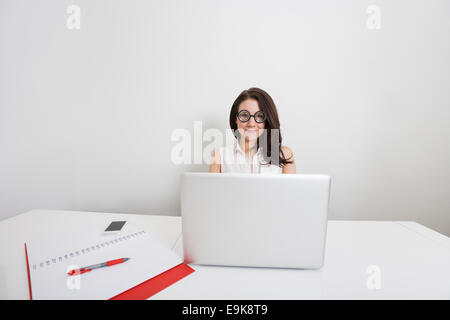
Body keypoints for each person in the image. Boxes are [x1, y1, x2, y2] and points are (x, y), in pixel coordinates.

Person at [209, 88, 296, 174]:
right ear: (236, 119)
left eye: (260, 116)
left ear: (267, 120)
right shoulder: (219, 156)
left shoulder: (284, 154)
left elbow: (289, 188)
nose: (251, 124)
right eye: (244, 115)